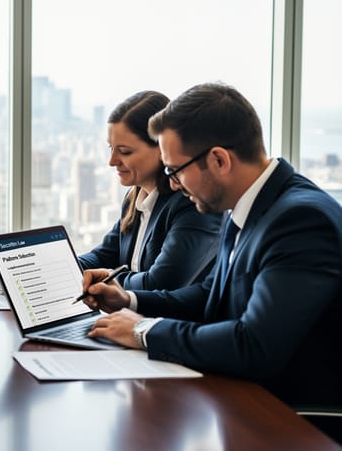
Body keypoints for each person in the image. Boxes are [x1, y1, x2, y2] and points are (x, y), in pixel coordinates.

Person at [82, 82, 342, 409]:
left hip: (292, 417)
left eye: (175, 171)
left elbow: (254, 346)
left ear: (219, 160)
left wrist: (144, 331)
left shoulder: (300, 220)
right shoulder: (250, 204)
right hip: (241, 400)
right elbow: (210, 296)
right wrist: (129, 300)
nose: (173, 184)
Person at [77, 90, 222, 290]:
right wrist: (59, 269)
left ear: (162, 149)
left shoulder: (190, 203)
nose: (112, 161)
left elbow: (160, 283)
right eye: (111, 148)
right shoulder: (134, 199)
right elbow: (104, 255)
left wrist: (108, 280)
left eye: (125, 151)